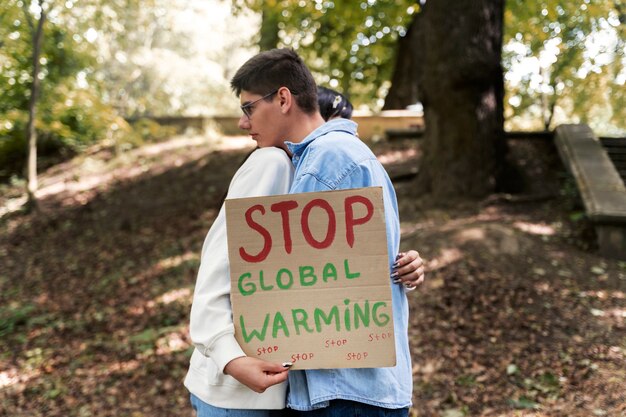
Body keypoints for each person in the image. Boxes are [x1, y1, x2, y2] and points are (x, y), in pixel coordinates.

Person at [184, 54, 424, 416]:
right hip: (321, 385)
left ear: (283, 100)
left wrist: (401, 267)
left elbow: (319, 278)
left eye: (249, 108)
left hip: (341, 390)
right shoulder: (316, 158)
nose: (241, 121)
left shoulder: (318, 159)